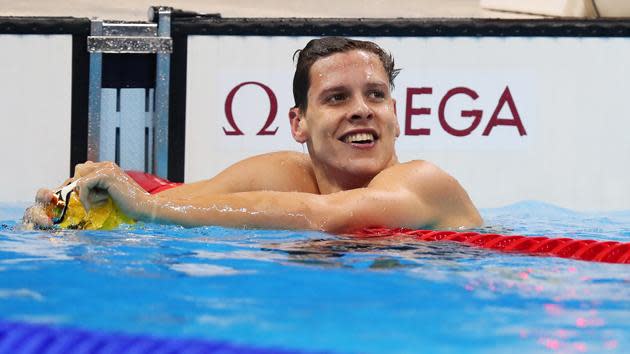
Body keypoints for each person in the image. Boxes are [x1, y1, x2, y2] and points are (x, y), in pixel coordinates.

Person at [23, 37, 482, 232]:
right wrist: (73, 208)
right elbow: (179, 199)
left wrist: (145, 206)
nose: (361, 111)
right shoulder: (283, 175)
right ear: (298, 124)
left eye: (376, 95)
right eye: (337, 98)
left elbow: (325, 218)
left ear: (395, 114)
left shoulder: (423, 183)